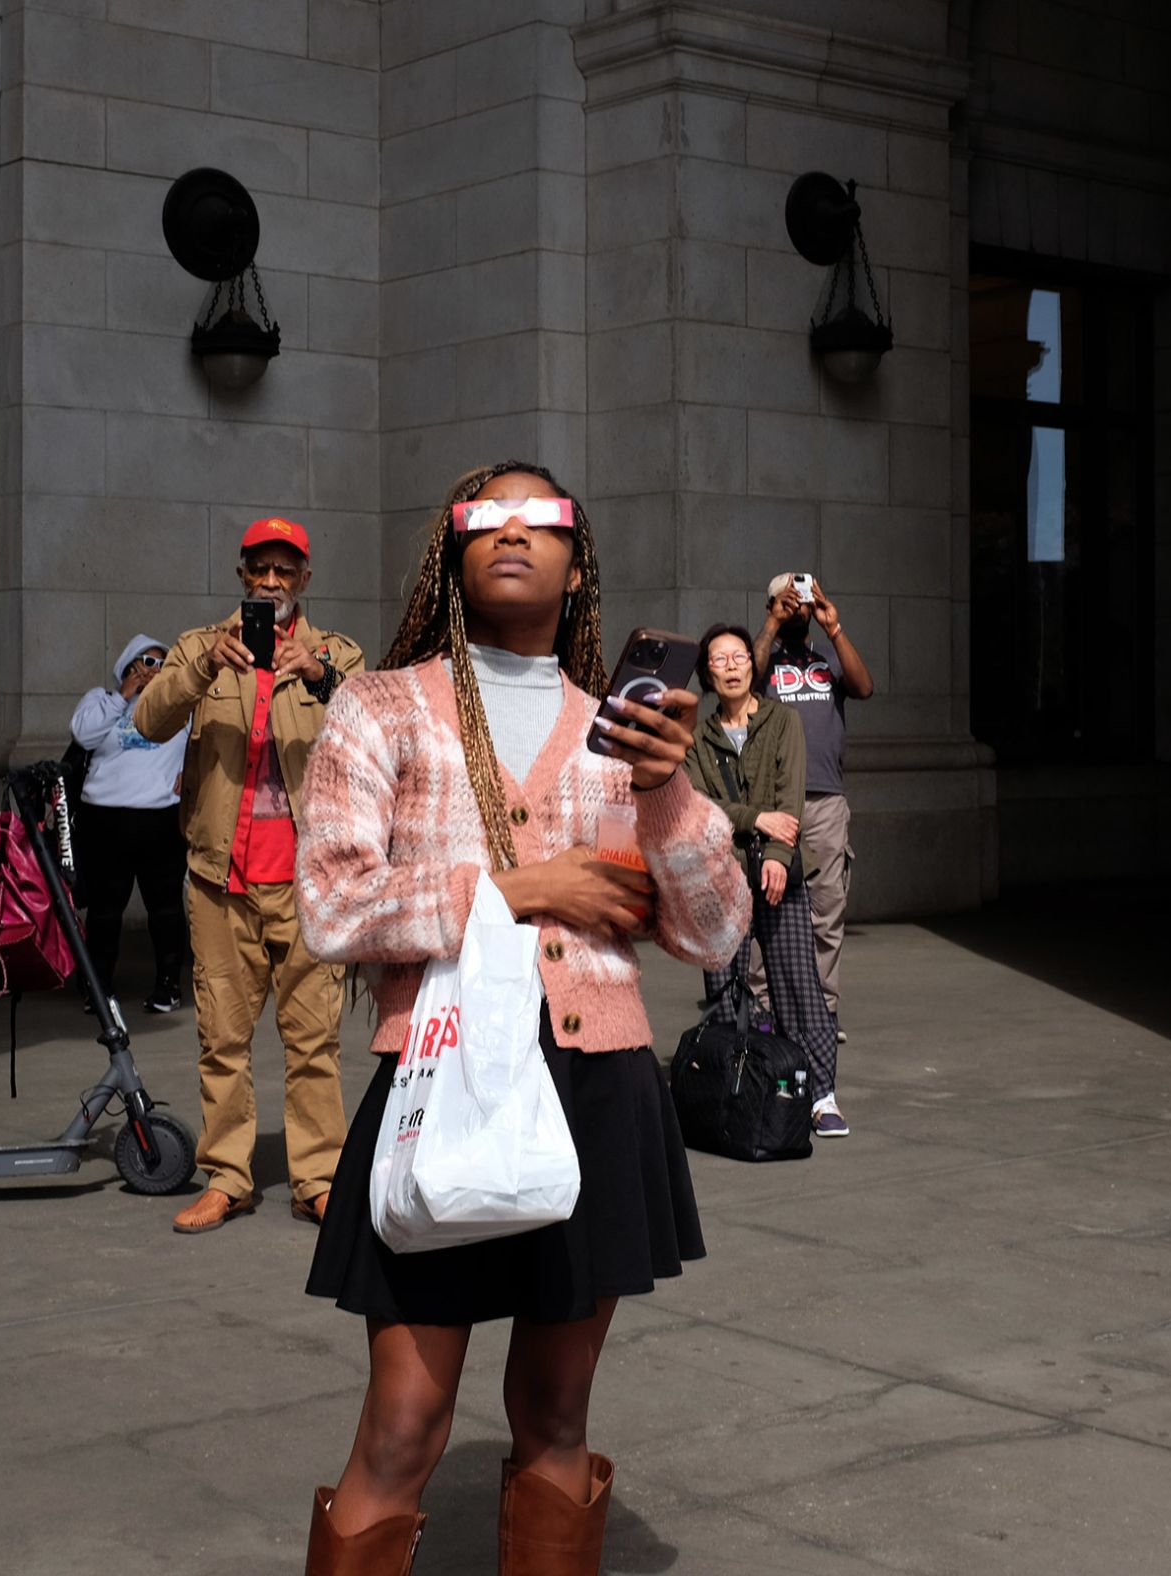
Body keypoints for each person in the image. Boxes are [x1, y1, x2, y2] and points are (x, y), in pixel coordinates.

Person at [291, 462, 749, 1574]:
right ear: (450, 552)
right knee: (404, 1418)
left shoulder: (621, 732)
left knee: (554, 1413)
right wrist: (523, 889)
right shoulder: (383, 705)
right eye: (479, 518)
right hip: (440, 1077)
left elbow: (711, 929)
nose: (508, 532)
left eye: (538, 519)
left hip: (597, 1083)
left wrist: (669, 794)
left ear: (575, 559)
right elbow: (332, 904)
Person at [134, 517, 365, 1236]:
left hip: (309, 883)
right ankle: (228, 1178)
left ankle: (318, 1179)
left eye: (285, 571)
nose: (272, 582)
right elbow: (146, 719)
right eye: (259, 570)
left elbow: (381, 728)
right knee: (222, 1039)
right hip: (219, 879)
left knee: (313, 1041)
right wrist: (206, 670)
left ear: (304, 580)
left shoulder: (338, 655)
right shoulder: (202, 648)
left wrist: (319, 675)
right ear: (242, 575)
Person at [685, 624, 846, 1136]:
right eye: (719, 659)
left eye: (738, 656)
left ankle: (820, 1094)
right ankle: (734, 1090)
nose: (731, 665)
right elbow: (699, 806)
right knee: (726, 995)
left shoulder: (784, 720)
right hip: (720, 878)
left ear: (753, 667)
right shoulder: (696, 739)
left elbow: (790, 793)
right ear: (707, 675)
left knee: (799, 985)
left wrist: (778, 852)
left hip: (779, 875)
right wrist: (757, 820)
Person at [753, 573, 874, 1044]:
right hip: (774, 800)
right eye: (789, 601)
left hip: (825, 799)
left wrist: (834, 628)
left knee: (827, 910)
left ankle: (823, 1011)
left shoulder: (827, 656)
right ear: (773, 605)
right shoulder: (759, 657)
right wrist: (770, 623)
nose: (798, 607)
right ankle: (763, 1009)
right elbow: (743, 680)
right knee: (767, 907)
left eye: (804, 599)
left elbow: (864, 687)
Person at [69, 635, 190, 1013]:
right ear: (128, 665)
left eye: (162, 664)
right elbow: (84, 735)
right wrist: (124, 694)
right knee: (106, 910)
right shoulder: (100, 700)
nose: (154, 671)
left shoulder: (182, 708)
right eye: (146, 663)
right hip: (105, 819)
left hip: (160, 818)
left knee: (165, 908)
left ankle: (168, 985)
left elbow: (209, 742)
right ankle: (98, 986)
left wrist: (192, 772)